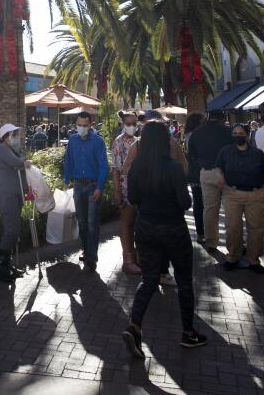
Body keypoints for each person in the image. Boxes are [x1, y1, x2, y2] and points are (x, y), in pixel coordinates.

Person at [122, 121, 206, 359]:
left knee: (148, 280)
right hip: (173, 228)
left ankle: (134, 326)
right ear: (165, 140)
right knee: (184, 281)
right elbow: (185, 202)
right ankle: (188, 333)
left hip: (146, 227)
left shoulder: (137, 167)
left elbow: (134, 197)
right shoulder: (173, 168)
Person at [215, 123, 264, 273]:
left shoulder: (257, 153)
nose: (237, 135)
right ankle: (233, 256)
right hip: (232, 194)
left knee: (256, 228)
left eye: (241, 133)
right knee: (233, 227)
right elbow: (219, 167)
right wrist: (220, 178)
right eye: (235, 133)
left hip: (255, 194)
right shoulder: (225, 151)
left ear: (247, 135)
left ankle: (254, 259)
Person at [62, 111, 108, 271]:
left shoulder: (98, 141)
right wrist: (66, 180)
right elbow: (68, 160)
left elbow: (103, 166)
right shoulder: (72, 141)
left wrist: (100, 187)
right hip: (78, 185)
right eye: (79, 125)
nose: (81, 128)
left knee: (92, 223)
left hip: (93, 186)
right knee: (81, 221)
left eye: (85, 125)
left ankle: (92, 258)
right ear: (76, 125)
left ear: (90, 125)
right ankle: (86, 249)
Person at [186, 110, 233, 251]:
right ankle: (234, 244)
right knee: (231, 210)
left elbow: (192, 154)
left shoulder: (197, 133)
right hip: (227, 173)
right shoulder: (228, 131)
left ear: (208, 117)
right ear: (223, 118)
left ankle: (211, 242)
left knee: (209, 209)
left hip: (206, 172)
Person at [0, 124, 32, 283]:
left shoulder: (11, 149)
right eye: (15, 135)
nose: (17, 138)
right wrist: (23, 161)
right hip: (7, 195)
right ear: (7, 136)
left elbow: (20, 161)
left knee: (14, 230)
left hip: (15, 195)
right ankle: (0, 267)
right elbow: (17, 162)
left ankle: (7, 265)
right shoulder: (2, 149)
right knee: (11, 230)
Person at [112, 111, 142, 275]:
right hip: (126, 190)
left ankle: (140, 257)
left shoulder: (140, 141)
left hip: (142, 190)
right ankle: (128, 261)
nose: (132, 127)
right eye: (129, 124)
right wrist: (117, 192)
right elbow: (116, 169)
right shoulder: (118, 142)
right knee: (127, 223)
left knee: (140, 226)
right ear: (123, 124)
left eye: (134, 123)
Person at [181, 112, 205, 242]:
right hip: (200, 171)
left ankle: (201, 232)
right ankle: (202, 232)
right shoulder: (197, 135)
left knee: (198, 203)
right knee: (202, 203)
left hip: (194, 172)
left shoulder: (188, 134)